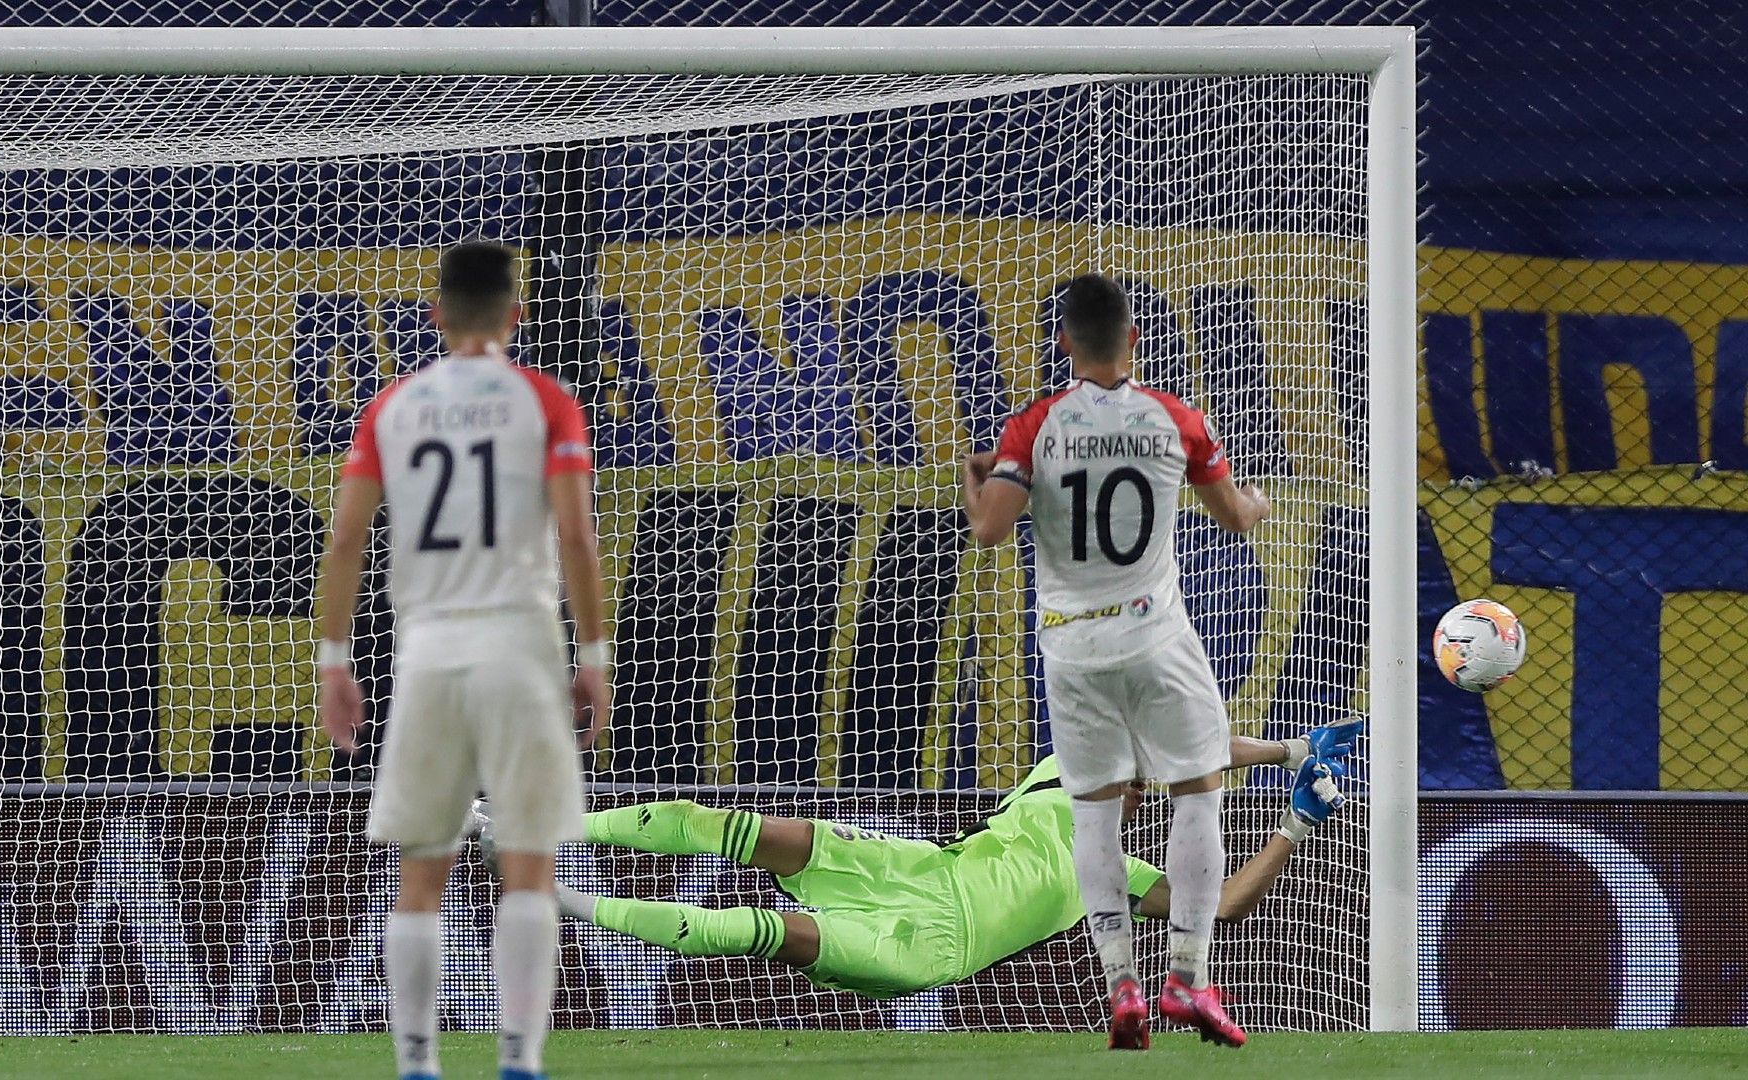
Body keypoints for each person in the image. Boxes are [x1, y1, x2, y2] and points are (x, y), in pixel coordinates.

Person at [315, 240, 610, 1080]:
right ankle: (518, 1061)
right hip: (519, 646)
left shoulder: (393, 408)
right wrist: (591, 654)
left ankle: (417, 1066)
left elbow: (344, 541)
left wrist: (334, 660)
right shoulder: (545, 401)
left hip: (429, 652)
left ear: (437, 315)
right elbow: (577, 537)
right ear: (516, 316)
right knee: (527, 864)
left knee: (423, 866)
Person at [483, 726, 1355, 1004]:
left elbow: (1226, 907)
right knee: (741, 828)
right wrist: (1282, 750)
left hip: (928, 952)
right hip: (910, 872)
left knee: (750, 933)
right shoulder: (1059, 780)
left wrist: (1298, 820)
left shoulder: (1119, 877)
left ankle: (558, 896)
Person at [963, 273, 1274, 1048]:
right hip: (1157, 639)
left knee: (1095, 816)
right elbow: (1235, 516)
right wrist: (1260, 501)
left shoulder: (1032, 427)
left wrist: (976, 482)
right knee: (1198, 792)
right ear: (1134, 339)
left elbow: (990, 531)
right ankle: (1188, 981)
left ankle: (1122, 989)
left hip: (1072, 650)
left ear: (1063, 341)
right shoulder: (1178, 420)